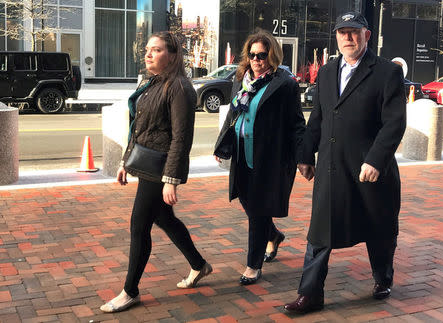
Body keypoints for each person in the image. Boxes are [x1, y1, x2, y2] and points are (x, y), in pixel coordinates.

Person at [284, 12, 407, 314]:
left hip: (370, 171)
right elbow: (319, 118)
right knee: (320, 230)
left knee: (379, 227)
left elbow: (394, 123)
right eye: (342, 33)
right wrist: (305, 155)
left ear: (366, 35)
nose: (348, 38)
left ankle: (382, 277)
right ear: (336, 37)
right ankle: (310, 293)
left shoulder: (386, 72)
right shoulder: (327, 72)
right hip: (332, 167)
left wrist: (376, 160)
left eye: (354, 32)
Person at [100, 31, 212, 313]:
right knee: (164, 219)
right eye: (148, 49)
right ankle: (199, 265)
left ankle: (130, 291)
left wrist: (171, 180)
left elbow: (181, 137)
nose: (148, 54)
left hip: (160, 169)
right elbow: (139, 127)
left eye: (157, 50)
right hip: (147, 164)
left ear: (172, 56)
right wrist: (126, 162)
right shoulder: (153, 83)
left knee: (139, 225)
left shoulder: (179, 88)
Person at [214, 29, 306, 285]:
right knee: (247, 201)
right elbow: (234, 115)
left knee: (257, 210)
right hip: (243, 155)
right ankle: (273, 235)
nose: (256, 59)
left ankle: (253, 265)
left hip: (270, 158)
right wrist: (221, 145)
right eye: (252, 54)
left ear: (272, 55)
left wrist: (303, 157)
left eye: (262, 55)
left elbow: (297, 124)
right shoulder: (241, 79)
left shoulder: (284, 84)